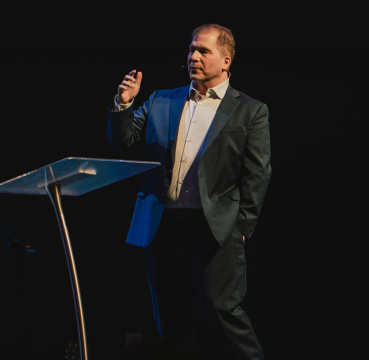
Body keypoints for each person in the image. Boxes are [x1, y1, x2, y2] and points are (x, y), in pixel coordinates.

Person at [107, 24, 271, 360]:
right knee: (169, 317)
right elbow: (123, 140)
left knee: (221, 312)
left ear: (226, 60)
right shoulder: (162, 99)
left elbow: (257, 173)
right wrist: (123, 105)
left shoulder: (250, 110)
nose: (193, 56)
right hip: (163, 226)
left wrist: (242, 228)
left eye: (203, 51)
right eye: (192, 49)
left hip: (214, 230)